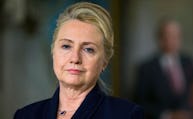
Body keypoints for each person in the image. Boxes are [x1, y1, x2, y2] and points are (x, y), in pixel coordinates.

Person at [14, 2, 144, 119]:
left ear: (105, 61)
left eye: (88, 49)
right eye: (66, 46)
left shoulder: (126, 115)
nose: (75, 58)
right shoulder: (25, 115)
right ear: (53, 52)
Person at [135, 18, 193, 119]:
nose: (174, 39)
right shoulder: (146, 68)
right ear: (160, 39)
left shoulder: (188, 62)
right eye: (170, 35)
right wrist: (168, 115)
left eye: (177, 35)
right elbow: (140, 102)